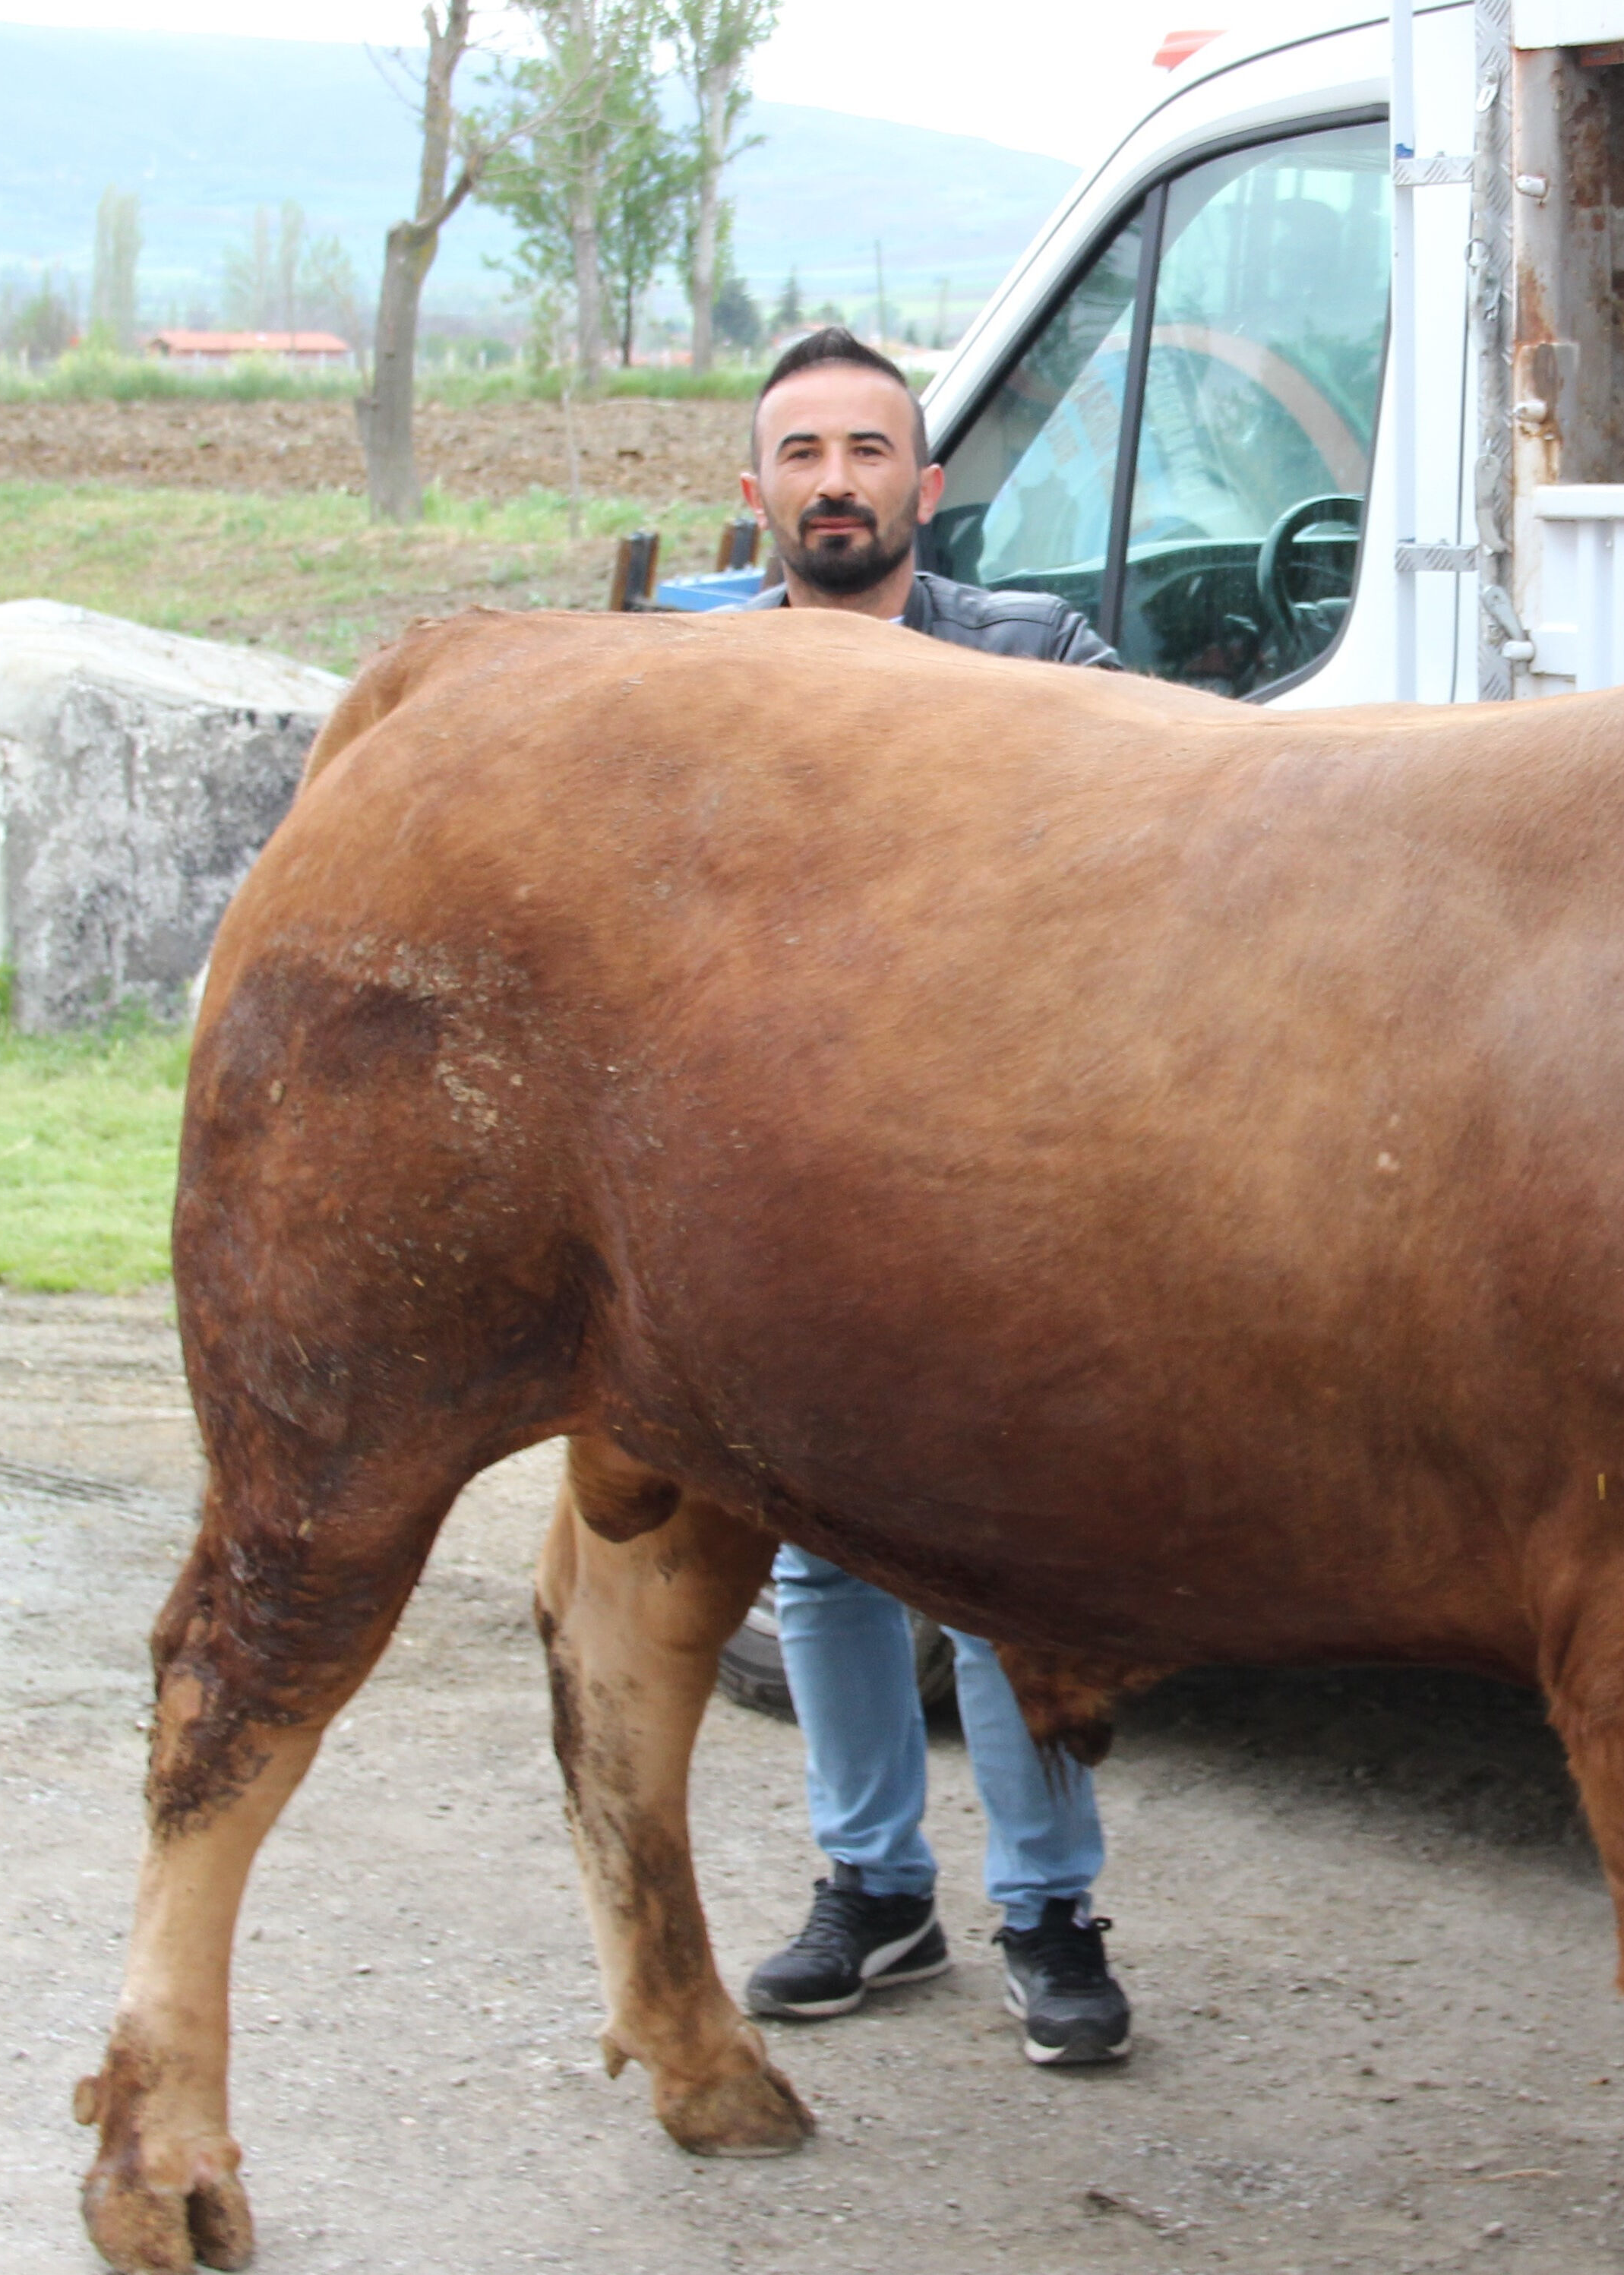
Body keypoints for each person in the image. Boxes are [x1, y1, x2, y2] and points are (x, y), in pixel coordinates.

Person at [723, 326, 1131, 2065]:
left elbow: (1165, 850)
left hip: (995, 1181)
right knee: (821, 1559)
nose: (836, 482)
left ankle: (1049, 1909)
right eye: (802, 454)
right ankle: (875, 1888)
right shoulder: (692, 691)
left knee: (996, 1557)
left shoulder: (1039, 653)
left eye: (868, 452)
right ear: (755, 494)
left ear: (927, 485)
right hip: (791, 1183)